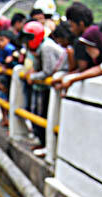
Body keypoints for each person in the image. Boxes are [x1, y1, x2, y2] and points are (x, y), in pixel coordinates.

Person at [20, 20, 66, 155]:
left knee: (45, 114)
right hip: (46, 87)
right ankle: (43, 142)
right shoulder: (40, 47)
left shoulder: (46, 47)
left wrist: (32, 77)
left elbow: (48, 71)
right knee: (39, 113)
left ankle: (47, 145)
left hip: (51, 86)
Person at [65, 2, 102, 72]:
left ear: (81, 24)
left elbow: (82, 67)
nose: (71, 29)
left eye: (71, 25)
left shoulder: (82, 40)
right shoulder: (99, 29)